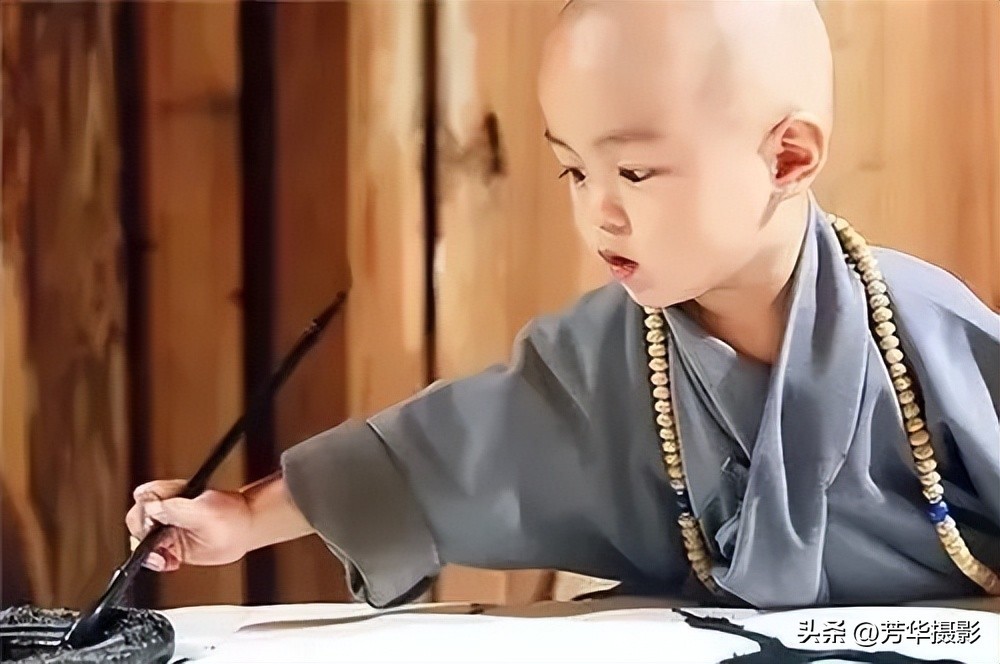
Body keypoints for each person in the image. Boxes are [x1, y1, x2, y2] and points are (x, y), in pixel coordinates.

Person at [125, 0, 1000, 609]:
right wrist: (242, 518)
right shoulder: (602, 358)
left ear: (788, 158)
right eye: (574, 171)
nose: (598, 212)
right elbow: (446, 455)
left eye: (635, 171)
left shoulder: (920, 329)